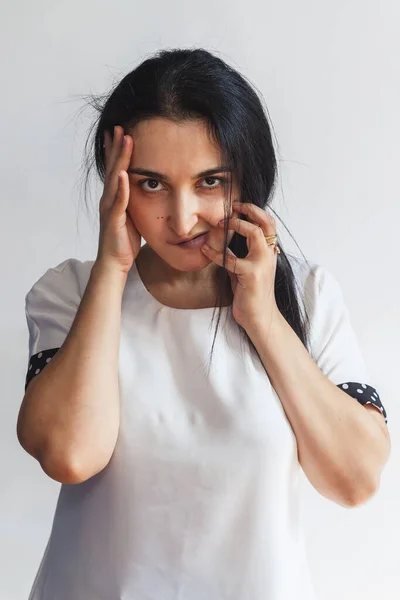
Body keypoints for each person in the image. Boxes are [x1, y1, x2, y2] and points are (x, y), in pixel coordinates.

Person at [17, 48, 390, 600]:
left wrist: (261, 317)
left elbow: (355, 481)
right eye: (151, 184)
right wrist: (113, 269)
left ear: (250, 173)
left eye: (211, 180)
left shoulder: (307, 296)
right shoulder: (69, 293)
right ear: (115, 183)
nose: (184, 215)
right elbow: (71, 454)